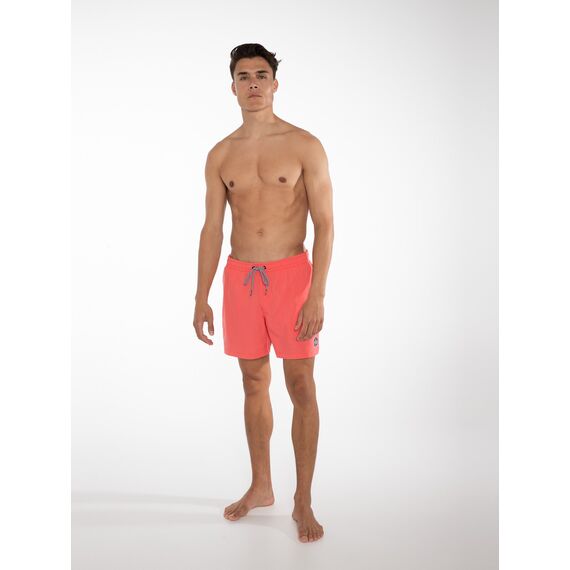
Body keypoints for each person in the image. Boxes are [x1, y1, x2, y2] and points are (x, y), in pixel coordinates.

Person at [193, 43, 334, 543]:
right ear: (232, 87)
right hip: (240, 279)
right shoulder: (221, 153)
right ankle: (261, 486)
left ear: (275, 84)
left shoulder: (304, 145)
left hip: (292, 278)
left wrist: (317, 294)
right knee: (253, 382)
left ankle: (303, 498)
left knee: (301, 385)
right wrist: (201, 295)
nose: (252, 83)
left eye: (260, 74)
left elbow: (325, 224)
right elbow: (212, 228)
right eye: (243, 76)